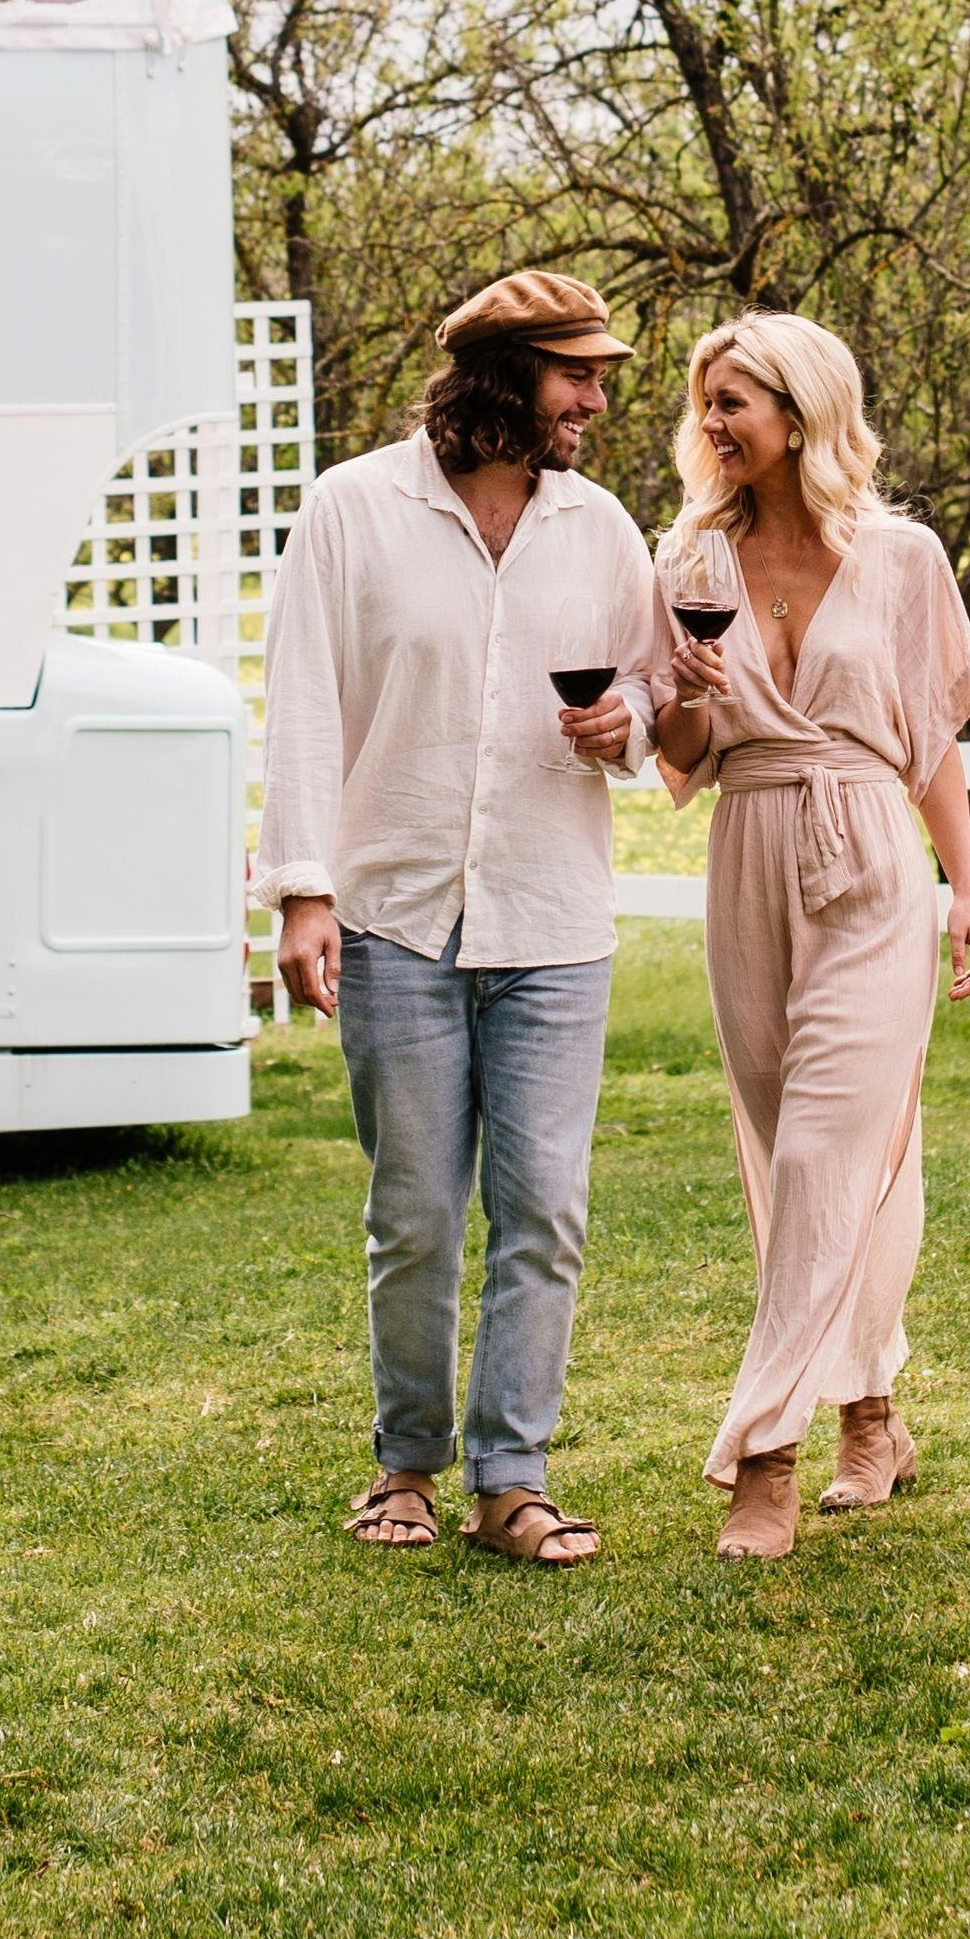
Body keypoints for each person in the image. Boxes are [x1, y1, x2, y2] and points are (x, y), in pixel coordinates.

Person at [255, 269, 656, 1567]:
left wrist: (629, 724)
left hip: (551, 920)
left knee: (543, 1211)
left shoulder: (598, 527)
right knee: (416, 1211)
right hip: (393, 920)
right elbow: (306, 701)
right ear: (499, 378)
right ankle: (404, 1468)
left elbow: (654, 693)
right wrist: (302, 891)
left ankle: (511, 1479)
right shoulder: (353, 510)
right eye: (573, 373)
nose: (594, 397)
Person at [645, 310, 970, 1561]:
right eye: (707, 402)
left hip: (867, 864)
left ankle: (764, 1459)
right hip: (746, 853)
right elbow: (682, 758)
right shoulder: (687, 559)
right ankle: (874, 1415)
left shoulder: (902, 559)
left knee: (822, 1154)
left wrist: (965, 887)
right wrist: (679, 700)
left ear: (800, 412)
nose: (712, 422)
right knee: (793, 1153)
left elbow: (933, 738)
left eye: (733, 399)